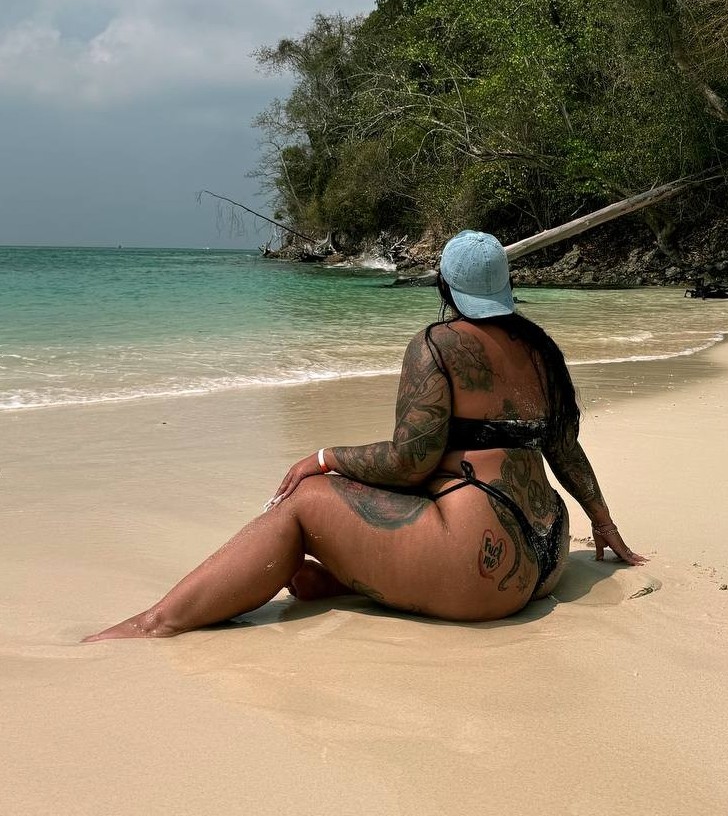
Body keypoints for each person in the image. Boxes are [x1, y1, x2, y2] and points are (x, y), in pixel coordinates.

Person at [84, 231, 645, 641]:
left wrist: (323, 457)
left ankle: (156, 623)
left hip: (479, 571)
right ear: (506, 285)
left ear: (444, 285)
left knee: (305, 501)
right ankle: (346, 581)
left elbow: (409, 462)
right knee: (398, 497)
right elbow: (564, 449)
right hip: (545, 556)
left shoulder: (438, 344)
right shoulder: (542, 351)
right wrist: (603, 524)